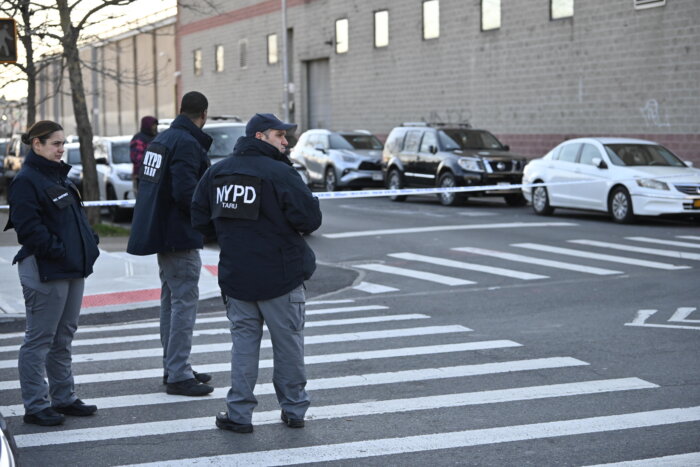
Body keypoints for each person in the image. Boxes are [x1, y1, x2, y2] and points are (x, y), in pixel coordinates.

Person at [192, 113, 322, 433]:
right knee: (288, 346)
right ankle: (293, 409)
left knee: (244, 348)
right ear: (260, 137)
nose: (286, 141)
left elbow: (199, 219)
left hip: (238, 275)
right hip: (281, 275)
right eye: (280, 135)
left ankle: (239, 414)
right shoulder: (279, 172)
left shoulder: (218, 173)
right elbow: (309, 219)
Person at [5, 120, 100, 426]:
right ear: (37, 144)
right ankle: (36, 405)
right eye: (56, 143)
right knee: (40, 338)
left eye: (63, 143)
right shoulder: (26, 180)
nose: (62, 149)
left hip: (71, 268)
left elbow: (73, 221)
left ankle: (64, 397)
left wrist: (89, 243)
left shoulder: (57, 176)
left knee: (64, 336)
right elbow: (29, 230)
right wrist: (59, 250)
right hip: (45, 269)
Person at [127, 92, 214, 397]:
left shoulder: (162, 140)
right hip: (178, 235)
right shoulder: (187, 143)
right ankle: (178, 373)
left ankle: (175, 366)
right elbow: (186, 192)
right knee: (183, 304)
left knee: (171, 303)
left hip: (163, 233)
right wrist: (209, 224)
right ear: (203, 114)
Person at [130, 115, 158, 195]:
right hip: (142, 176)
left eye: (155, 125)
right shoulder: (138, 139)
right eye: (153, 125)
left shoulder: (158, 137)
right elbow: (137, 158)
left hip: (157, 175)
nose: (155, 127)